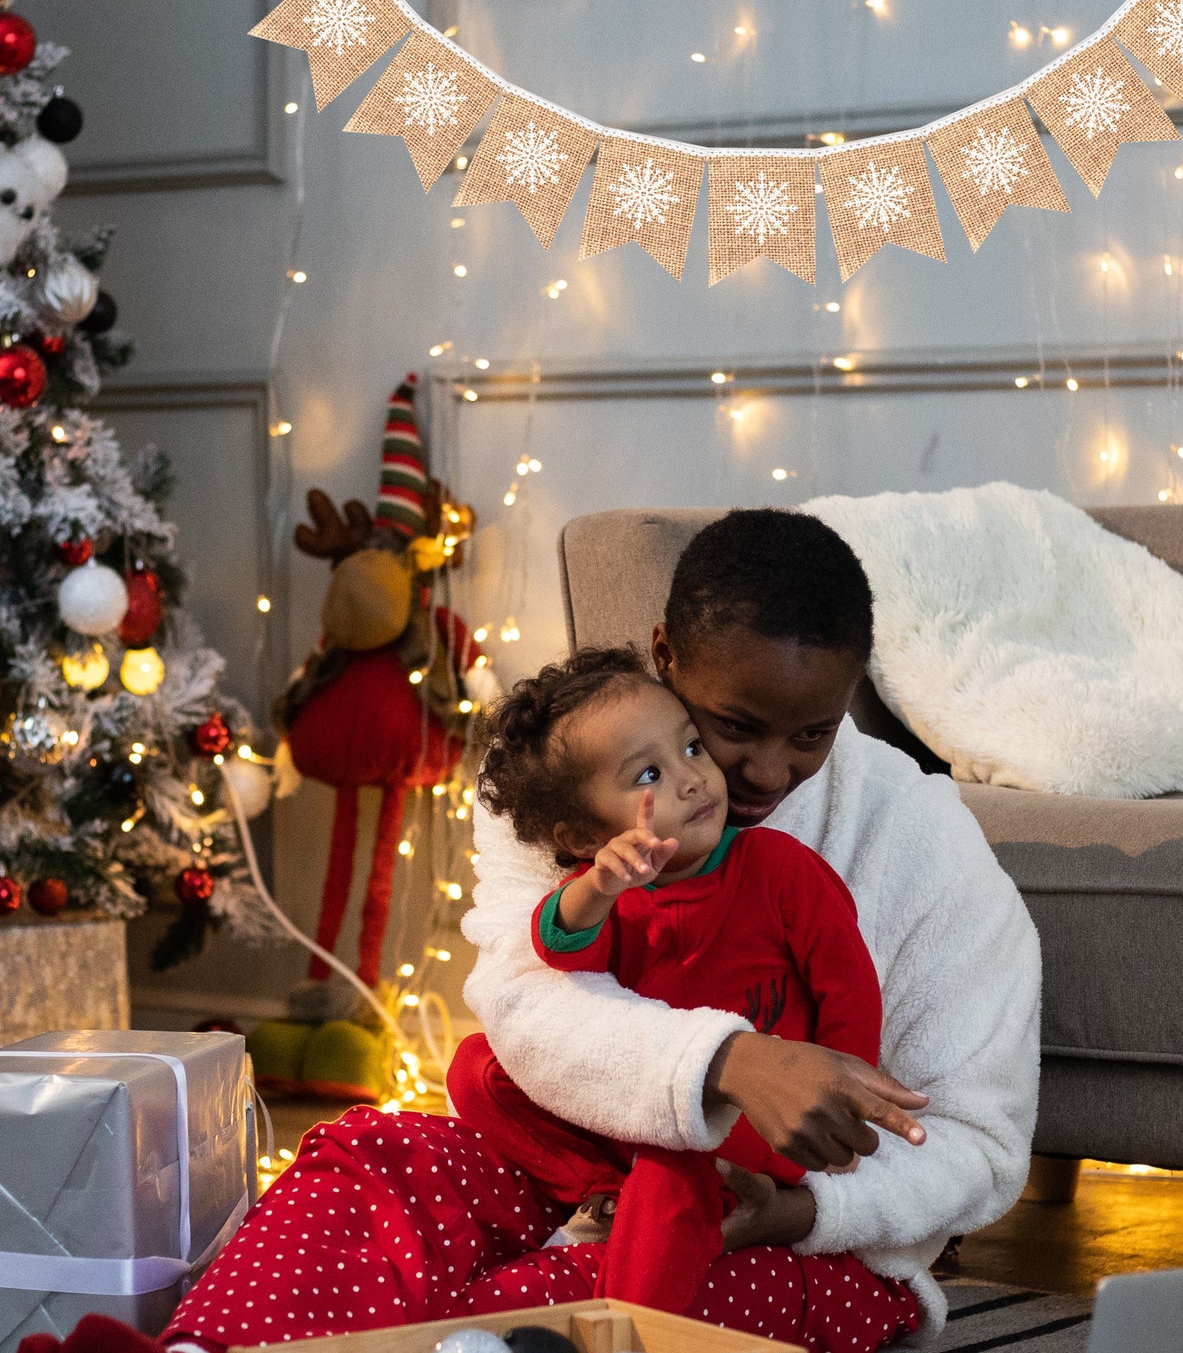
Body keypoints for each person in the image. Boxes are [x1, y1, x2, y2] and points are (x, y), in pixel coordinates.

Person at [26, 507, 1038, 1353]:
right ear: (664, 656)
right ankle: (201, 1346)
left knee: (588, 1294)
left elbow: (980, 1145)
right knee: (370, 1159)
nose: (764, 774)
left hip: (786, 1239)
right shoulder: (570, 766)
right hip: (563, 1163)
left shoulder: (921, 844)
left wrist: (809, 1210)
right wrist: (730, 1059)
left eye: (808, 735)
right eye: (731, 727)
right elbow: (525, 997)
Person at [453, 644, 886, 1316]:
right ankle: (601, 1190)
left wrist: (839, 1094)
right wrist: (598, 885)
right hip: (637, 1111)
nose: (692, 778)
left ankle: (634, 1325)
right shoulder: (611, 893)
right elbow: (561, 959)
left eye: (691, 747)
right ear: (581, 833)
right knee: (478, 1068)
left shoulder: (776, 866)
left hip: (754, 1119)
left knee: (669, 1171)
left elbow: (848, 983)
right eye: (649, 772)